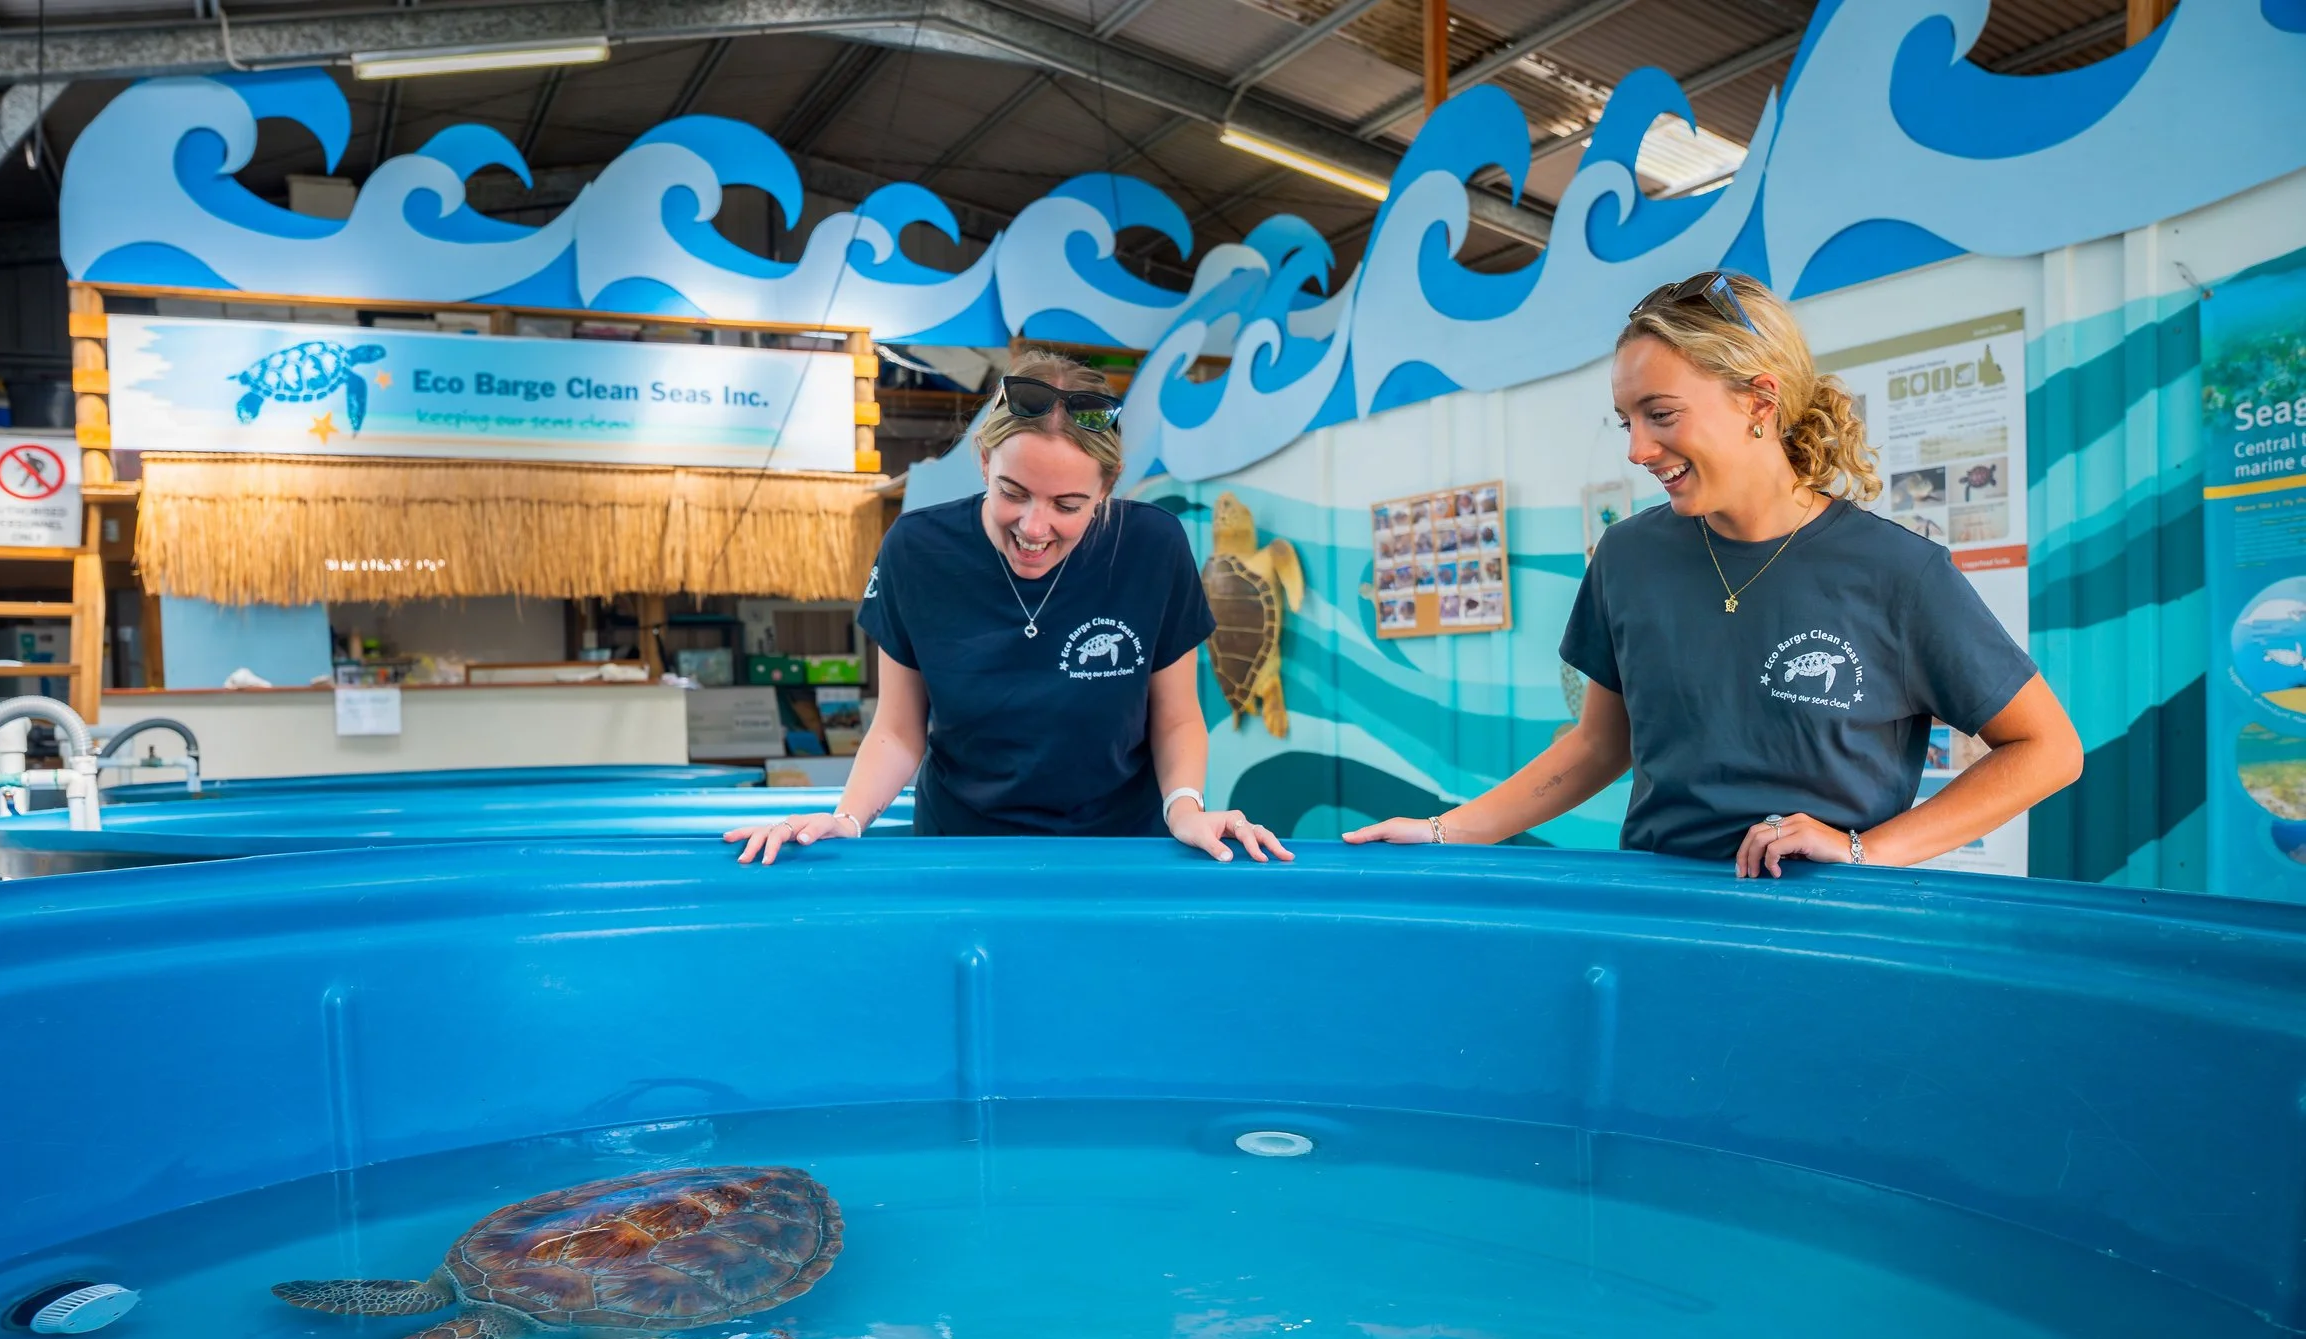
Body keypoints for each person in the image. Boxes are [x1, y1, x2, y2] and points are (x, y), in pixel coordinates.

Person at [1346, 270, 2082, 875]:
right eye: (1626, 420)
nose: (1637, 449)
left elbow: (2048, 749)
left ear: (1759, 401)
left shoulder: (1899, 572)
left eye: (1661, 415)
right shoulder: (1626, 557)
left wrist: (1869, 850)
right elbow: (1599, 745)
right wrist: (1444, 832)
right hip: (1660, 921)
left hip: (1826, 932)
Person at [726, 351, 1292, 865]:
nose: (1034, 527)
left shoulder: (1152, 547)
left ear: (1108, 486)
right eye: (1013, 493)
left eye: (1067, 505)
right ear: (983, 460)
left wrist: (1185, 808)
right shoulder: (916, 551)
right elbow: (898, 730)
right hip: (961, 853)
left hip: (1119, 853)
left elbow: (1176, 717)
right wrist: (848, 818)